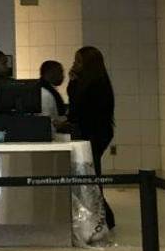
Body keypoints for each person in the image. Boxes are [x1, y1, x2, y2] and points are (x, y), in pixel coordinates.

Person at [65, 46, 116, 229]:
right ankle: (103, 216)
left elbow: (77, 106)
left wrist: (72, 82)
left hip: (94, 133)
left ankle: (104, 217)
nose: (74, 64)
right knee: (92, 173)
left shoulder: (94, 85)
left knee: (92, 175)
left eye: (78, 61)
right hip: (98, 132)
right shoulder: (97, 81)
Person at [38, 60, 68, 125]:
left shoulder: (46, 90)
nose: (63, 76)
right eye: (60, 72)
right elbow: (47, 118)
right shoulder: (46, 93)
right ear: (50, 73)